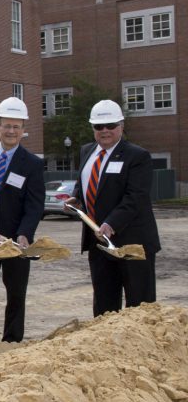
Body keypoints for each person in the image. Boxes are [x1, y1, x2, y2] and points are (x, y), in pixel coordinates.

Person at [67, 100, 160, 316]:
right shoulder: (86, 151)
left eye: (111, 125)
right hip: (98, 245)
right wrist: (76, 198)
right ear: (93, 128)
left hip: (133, 244)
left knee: (140, 309)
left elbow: (135, 197)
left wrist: (111, 223)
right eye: (99, 127)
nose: (105, 131)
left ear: (121, 125)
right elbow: (88, 185)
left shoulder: (137, 156)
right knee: (104, 309)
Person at [0, 98, 44, 349]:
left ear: (23, 128)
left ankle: (12, 340)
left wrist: (25, 234)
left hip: (16, 241)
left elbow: (34, 205)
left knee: (16, 293)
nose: (11, 131)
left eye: (16, 126)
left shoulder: (33, 164)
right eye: (7, 125)